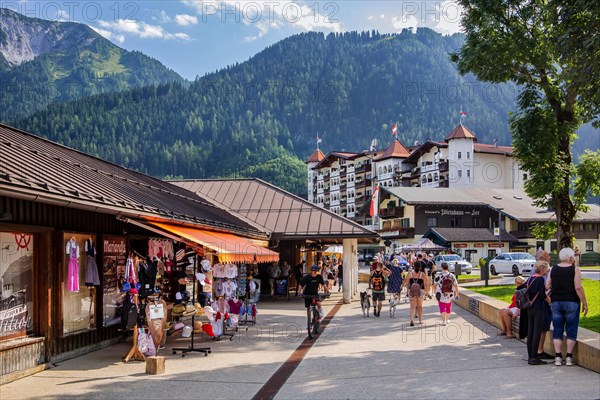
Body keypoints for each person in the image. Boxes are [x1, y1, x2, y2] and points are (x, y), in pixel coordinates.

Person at [546, 247, 589, 367]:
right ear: (571, 257)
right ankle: (569, 357)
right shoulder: (575, 270)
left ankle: (558, 357)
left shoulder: (553, 269)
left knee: (557, 328)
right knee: (571, 329)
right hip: (572, 302)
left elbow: (547, 284)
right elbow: (578, 288)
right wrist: (584, 303)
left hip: (556, 302)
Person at [517, 260, 549, 365]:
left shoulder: (531, 278)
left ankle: (530, 356)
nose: (548, 270)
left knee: (530, 332)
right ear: (542, 269)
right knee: (537, 332)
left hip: (529, 308)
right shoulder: (540, 279)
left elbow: (519, 287)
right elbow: (542, 295)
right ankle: (534, 357)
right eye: (546, 268)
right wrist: (549, 299)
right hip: (538, 308)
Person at [535, 250, 554, 360]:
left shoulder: (535, 272)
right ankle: (539, 350)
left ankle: (537, 350)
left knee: (541, 328)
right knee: (542, 328)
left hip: (538, 306)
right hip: (542, 305)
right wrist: (549, 298)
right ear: (542, 258)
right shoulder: (539, 275)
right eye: (547, 256)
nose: (549, 257)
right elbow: (542, 291)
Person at [404, 259, 427, 326]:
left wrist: (407, 290)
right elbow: (425, 283)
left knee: (412, 307)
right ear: (420, 267)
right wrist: (426, 292)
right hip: (420, 291)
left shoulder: (410, 274)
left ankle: (412, 320)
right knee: (420, 306)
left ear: (413, 266)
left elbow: (407, 283)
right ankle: (420, 320)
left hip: (412, 291)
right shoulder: (422, 274)